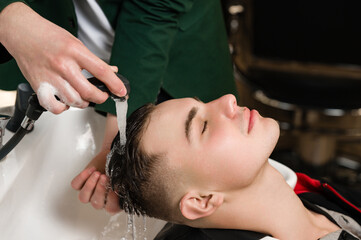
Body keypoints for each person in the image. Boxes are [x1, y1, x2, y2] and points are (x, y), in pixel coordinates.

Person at [1, 0, 238, 213]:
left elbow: (155, 10)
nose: (231, 104)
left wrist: (115, 150)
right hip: (54, 53)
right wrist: (10, 20)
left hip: (173, 56)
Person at [104, 94, 361, 240]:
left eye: (204, 102)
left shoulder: (314, 195)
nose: (228, 99)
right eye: (202, 126)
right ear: (202, 200)